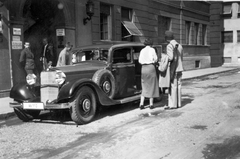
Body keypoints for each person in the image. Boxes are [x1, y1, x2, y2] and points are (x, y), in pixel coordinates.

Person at [164, 30, 184, 109]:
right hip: (180, 68)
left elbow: (171, 57)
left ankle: (172, 104)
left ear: (166, 38)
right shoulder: (179, 45)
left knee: (173, 86)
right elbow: (181, 57)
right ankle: (179, 103)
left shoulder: (169, 46)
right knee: (179, 85)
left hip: (173, 68)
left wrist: (165, 58)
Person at [138, 38, 159, 109]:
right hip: (151, 68)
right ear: (151, 44)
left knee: (144, 85)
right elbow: (155, 59)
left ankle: (141, 103)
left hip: (143, 68)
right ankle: (151, 104)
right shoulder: (152, 50)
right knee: (152, 85)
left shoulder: (142, 50)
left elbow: (140, 61)